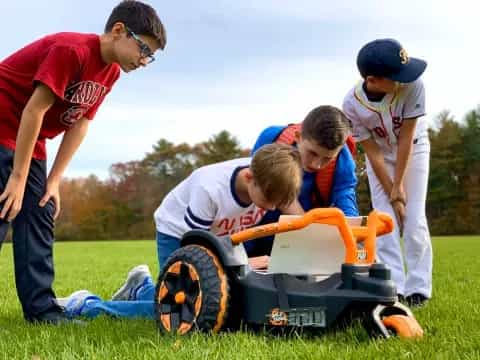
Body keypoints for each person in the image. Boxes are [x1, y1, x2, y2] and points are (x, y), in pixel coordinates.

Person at [0, 0, 166, 324]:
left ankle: (42, 311)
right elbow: (34, 110)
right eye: (144, 49)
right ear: (119, 31)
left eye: (152, 55)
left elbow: (81, 122)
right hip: (5, 123)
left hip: (30, 138)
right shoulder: (72, 50)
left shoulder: (111, 72)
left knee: (41, 207)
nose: (145, 60)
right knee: (6, 203)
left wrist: (54, 181)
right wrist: (18, 176)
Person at [57, 143, 303, 319]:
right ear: (249, 177)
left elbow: (285, 209)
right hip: (178, 234)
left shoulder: (266, 179)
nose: (270, 208)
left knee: (213, 298)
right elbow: (196, 257)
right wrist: (247, 263)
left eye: (277, 203)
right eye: (269, 199)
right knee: (183, 306)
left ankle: (141, 287)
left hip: (216, 237)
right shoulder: (210, 189)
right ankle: (87, 306)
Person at [342, 38, 431, 307]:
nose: (404, 79)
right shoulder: (351, 104)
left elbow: (406, 138)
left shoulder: (414, 86)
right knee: (384, 223)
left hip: (413, 151)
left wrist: (399, 188)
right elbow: (373, 153)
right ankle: (394, 287)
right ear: (373, 80)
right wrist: (391, 193)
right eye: (396, 75)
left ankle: (419, 288)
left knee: (414, 221)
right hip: (379, 158)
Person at [244, 105, 359, 260]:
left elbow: (345, 201)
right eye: (312, 153)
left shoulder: (344, 162)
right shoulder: (270, 139)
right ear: (298, 137)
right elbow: (254, 188)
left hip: (296, 244)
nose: (316, 165)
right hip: (256, 233)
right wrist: (307, 229)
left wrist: (351, 235)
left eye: (327, 159)